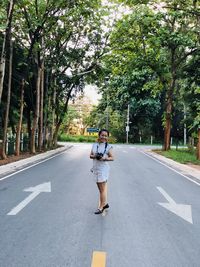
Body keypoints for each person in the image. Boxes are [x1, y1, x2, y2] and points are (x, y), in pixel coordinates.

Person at [90, 129, 114, 214]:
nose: (104, 137)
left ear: (107, 137)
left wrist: (104, 158)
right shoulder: (95, 145)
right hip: (96, 168)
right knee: (100, 189)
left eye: (105, 135)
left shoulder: (108, 146)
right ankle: (105, 204)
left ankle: (101, 207)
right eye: (102, 135)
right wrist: (95, 156)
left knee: (102, 190)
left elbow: (112, 158)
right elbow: (90, 155)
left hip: (103, 169)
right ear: (99, 135)